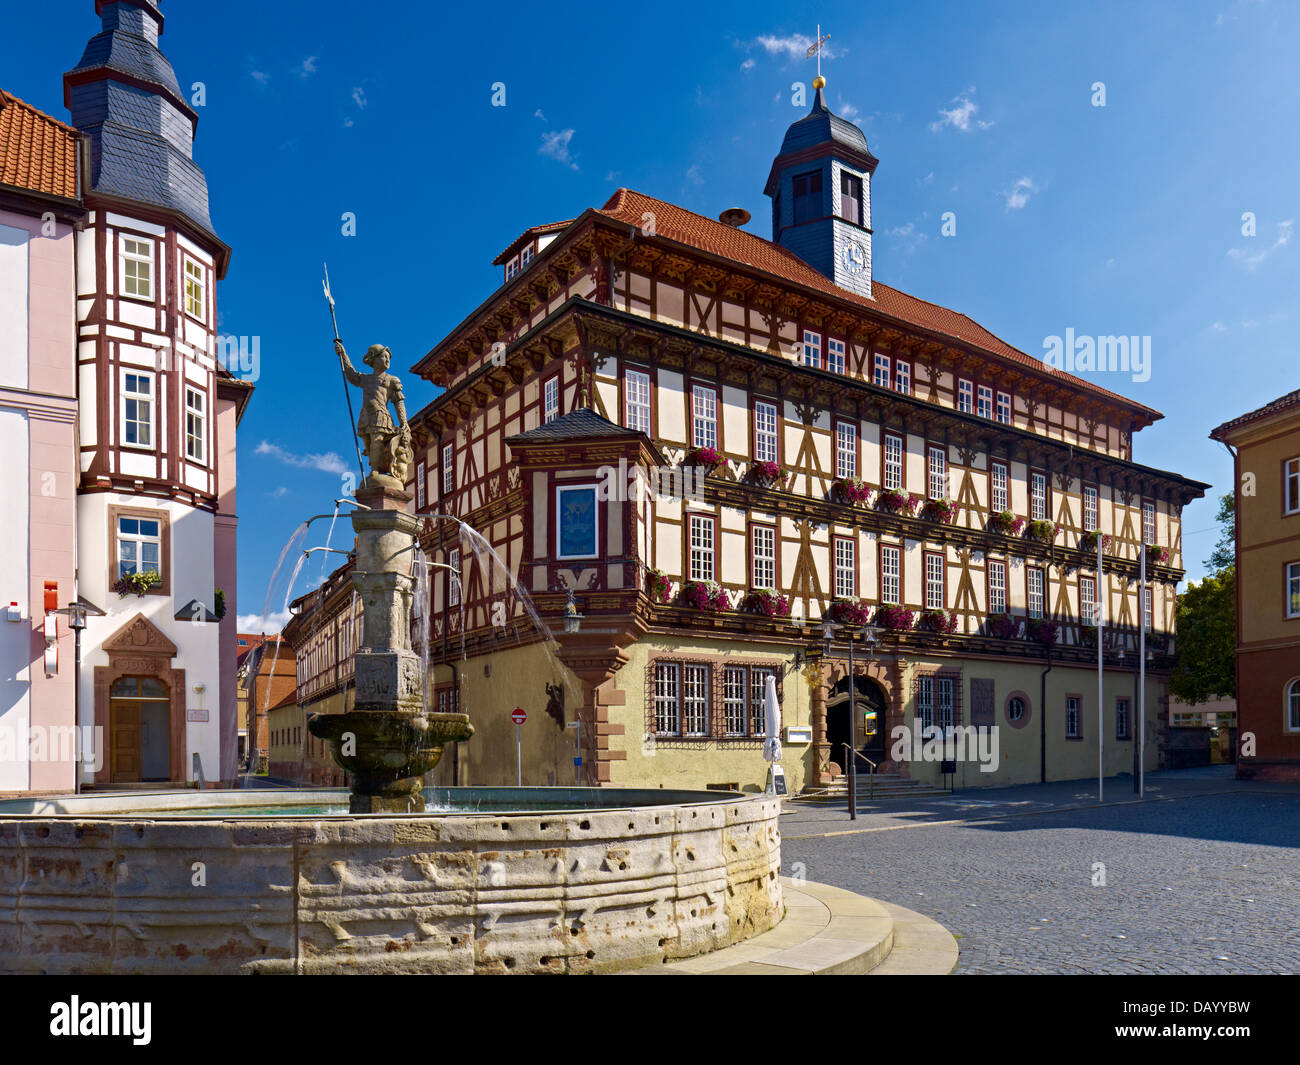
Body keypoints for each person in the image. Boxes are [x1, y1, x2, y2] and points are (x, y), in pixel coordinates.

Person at [334, 339, 413, 483]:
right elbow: (351, 375)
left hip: (380, 415)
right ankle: (375, 469)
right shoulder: (366, 379)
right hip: (365, 416)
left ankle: (376, 470)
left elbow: (398, 403)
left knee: (377, 441)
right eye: (384, 356)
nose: (387, 360)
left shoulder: (392, 380)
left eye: (389, 358)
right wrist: (343, 355)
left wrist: (404, 422)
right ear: (374, 359)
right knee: (368, 445)